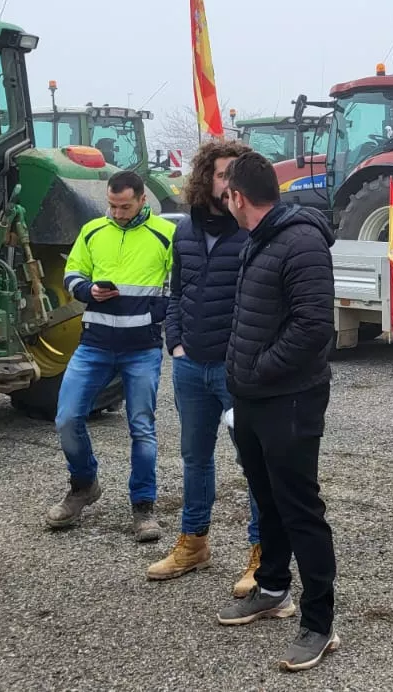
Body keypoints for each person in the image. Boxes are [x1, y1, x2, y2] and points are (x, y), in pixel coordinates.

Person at [215, 151, 341, 673]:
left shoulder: (301, 241)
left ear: (239, 197)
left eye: (227, 195)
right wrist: (239, 374)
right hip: (253, 397)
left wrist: (261, 368)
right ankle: (271, 589)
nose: (225, 203)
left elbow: (314, 326)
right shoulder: (260, 241)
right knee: (265, 499)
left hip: (289, 399)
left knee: (299, 508)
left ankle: (319, 623)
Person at [149, 140, 264, 594]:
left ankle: (262, 554)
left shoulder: (255, 231)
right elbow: (177, 292)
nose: (229, 182)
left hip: (235, 372)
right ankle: (193, 543)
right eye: (222, 174)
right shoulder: (185, 233)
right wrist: (174, 342)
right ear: (205, 179)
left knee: (255, 464)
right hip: (190, 367)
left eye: (237, 174)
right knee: (195, 459)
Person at [45, 170, 177, 541]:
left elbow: (180, 284)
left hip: (142, 350)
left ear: (142, 201)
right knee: (67, 418)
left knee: (142, 428)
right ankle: (84, 485)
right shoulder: (92, 231)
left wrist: (156, 315)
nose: (117, 213)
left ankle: (143, 508)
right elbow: (72, 273)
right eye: (112, 206)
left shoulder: (165, 235)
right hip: (94, 346)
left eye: (125, 206)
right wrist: (87, 289)